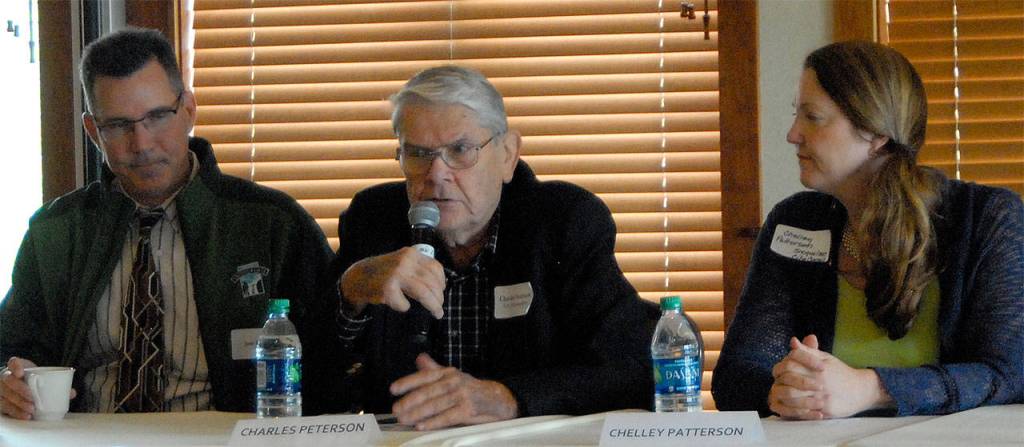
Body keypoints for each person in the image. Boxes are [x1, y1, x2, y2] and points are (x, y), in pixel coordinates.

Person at [0, 28, 340, 418]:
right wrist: (8, 382)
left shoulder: (271, 223)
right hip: (91, 439)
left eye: (158, 117)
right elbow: (13, 348)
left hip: (223, 441)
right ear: (94, 132)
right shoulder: (56, 232)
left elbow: (333, 359)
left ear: (189, 110)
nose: (141, 143)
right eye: (118, 126)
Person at [712, 41, 1024, 419]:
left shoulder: (987, 218)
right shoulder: (795, 221)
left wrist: (872, 389)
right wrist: (789, 390)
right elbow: (737, 377)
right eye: (797, 115)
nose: (793, 134)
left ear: (876, 134)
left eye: (813, 117)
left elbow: (1008, 374)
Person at [332, 65, 652, 429]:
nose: (436, 174)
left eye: (461, 149)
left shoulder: (563, 222)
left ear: (507, 155)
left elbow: (630, 369)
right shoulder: (372, 221)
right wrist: (351, 291)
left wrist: (506, 397)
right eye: (418, 153)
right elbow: (306, 375)